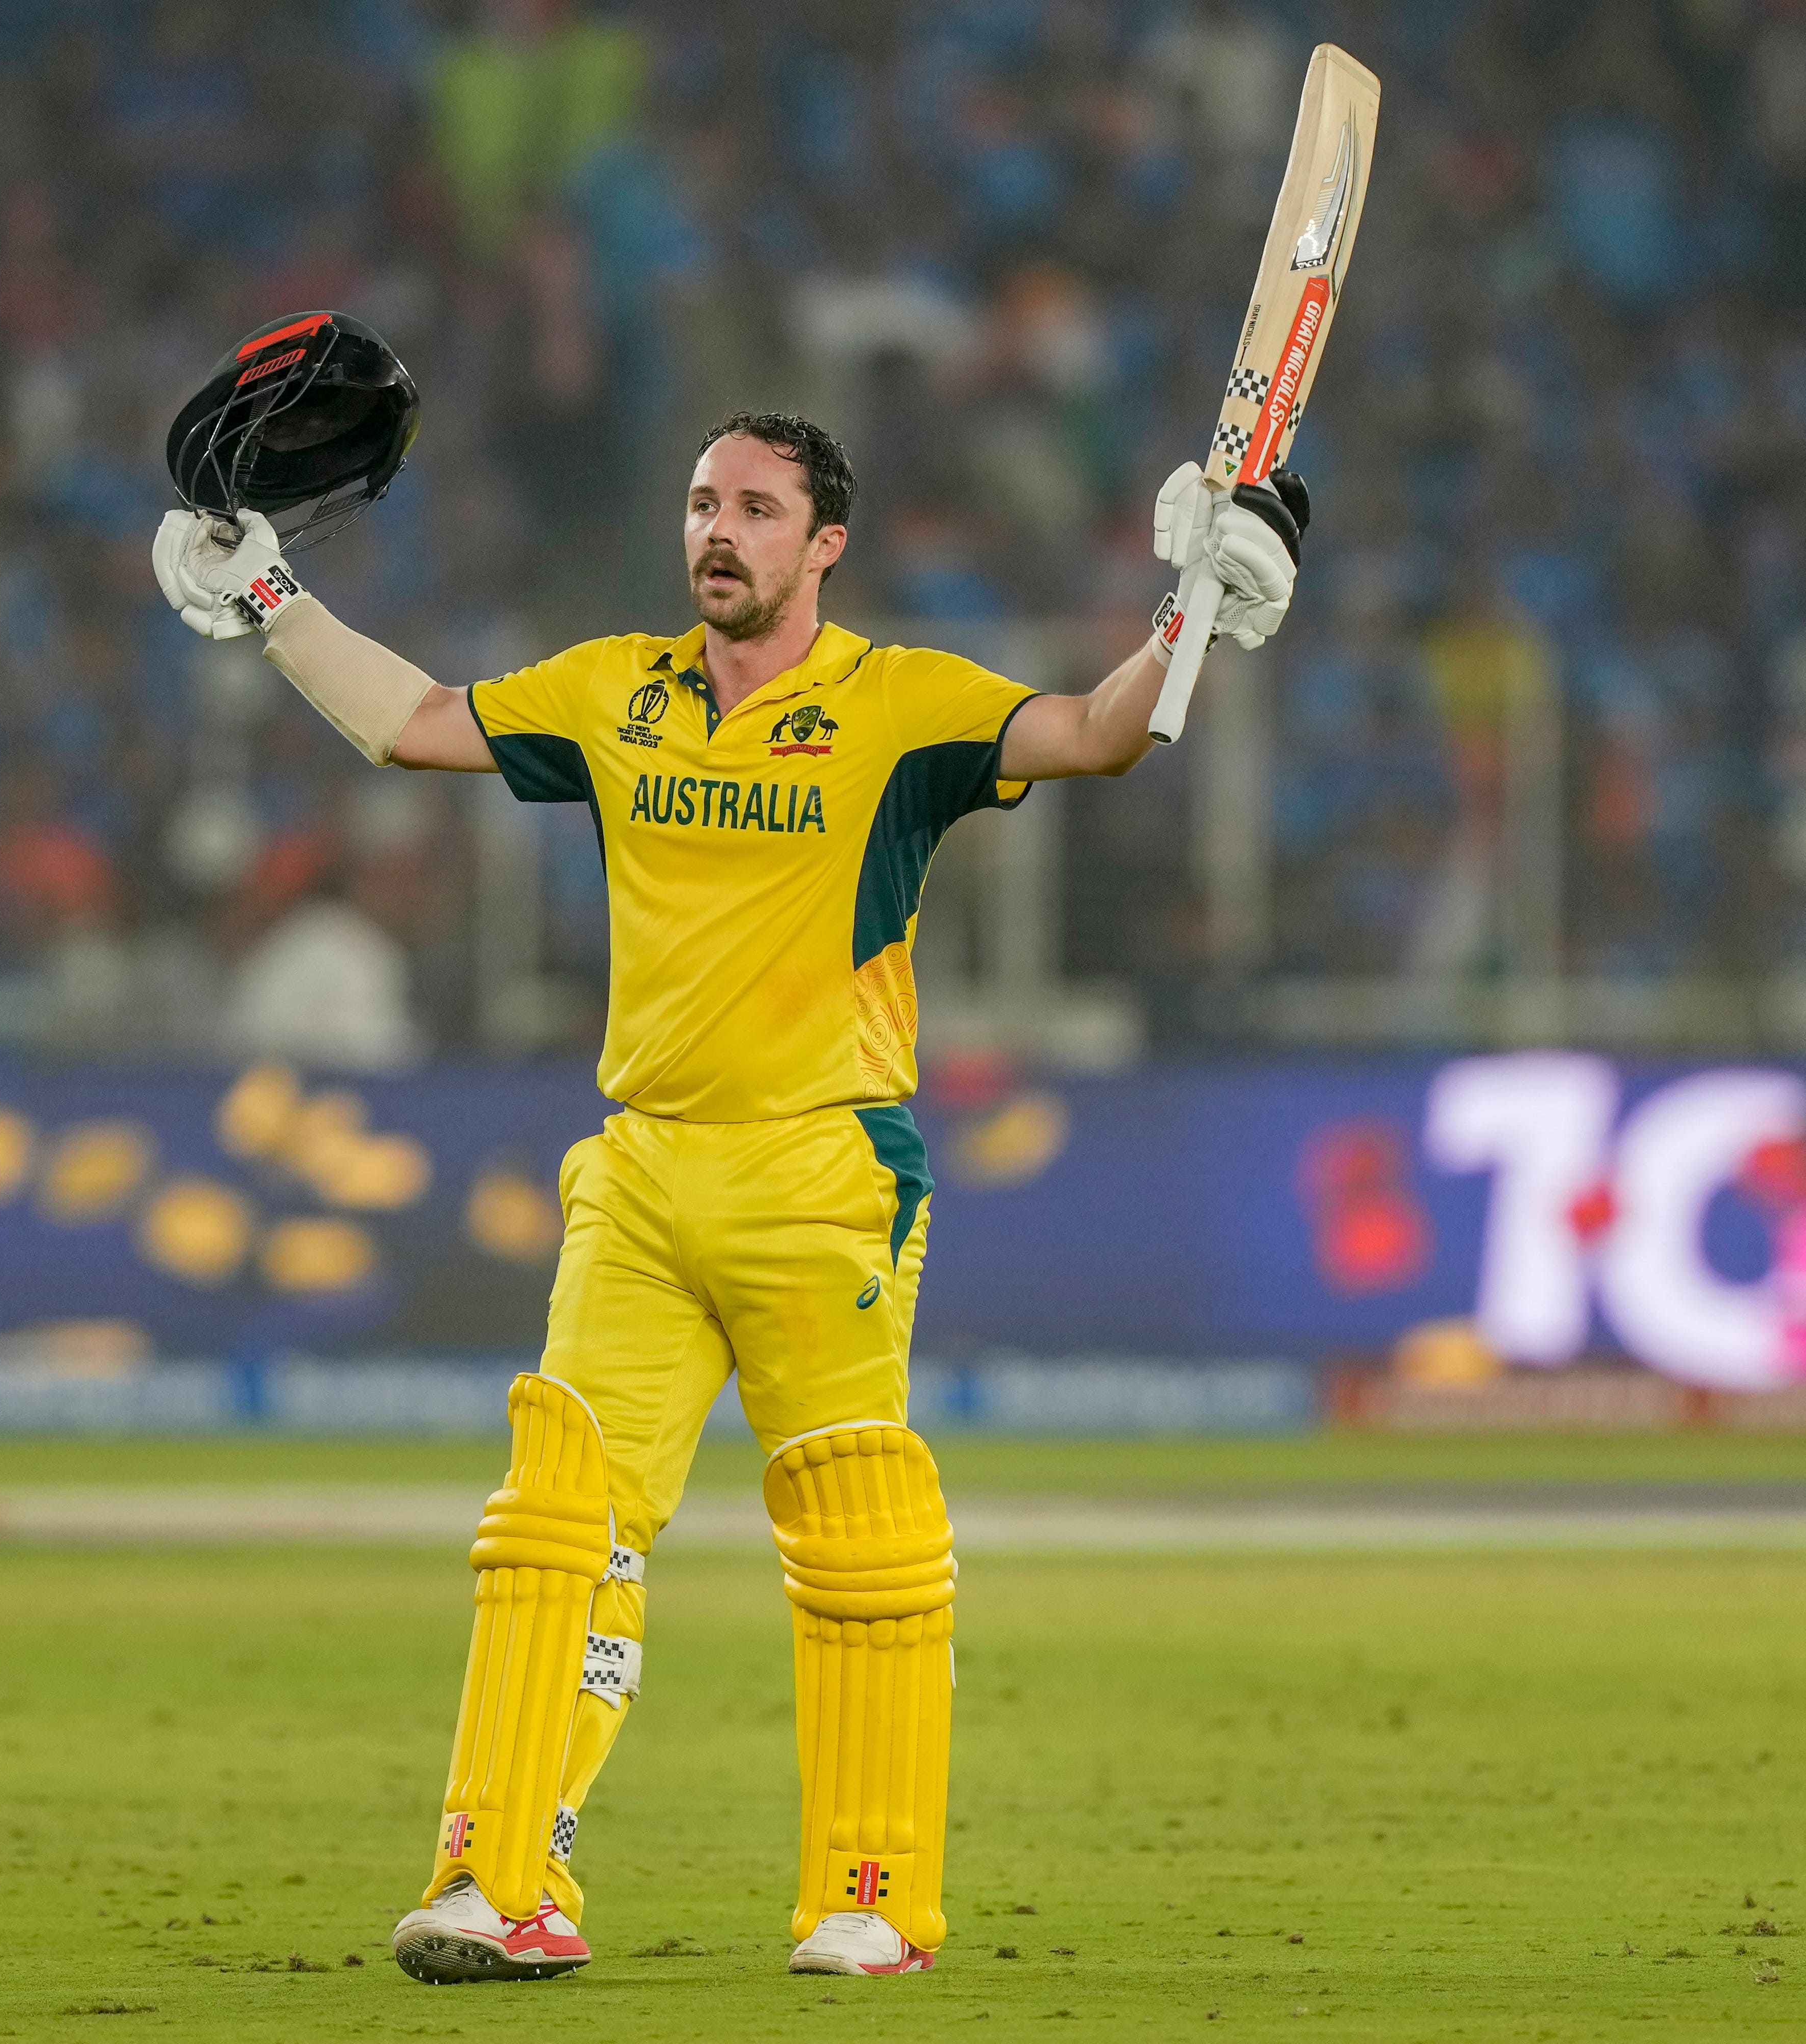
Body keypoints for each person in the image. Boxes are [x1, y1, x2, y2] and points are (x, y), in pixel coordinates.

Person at [152, 411, 1306, 1982]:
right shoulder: (615, 692)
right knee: (552, 1521)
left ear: (824, 544)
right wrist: (271, 602)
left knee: (854, 1537)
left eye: (757, 509)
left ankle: (872, 1895)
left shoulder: (899, 705)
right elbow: (417, 722)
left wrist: (1201, 609)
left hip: (822, 1168)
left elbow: (1099, 734)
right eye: (703, 502)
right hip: (638, 1170)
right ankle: (500, 1884)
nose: (719, 531)